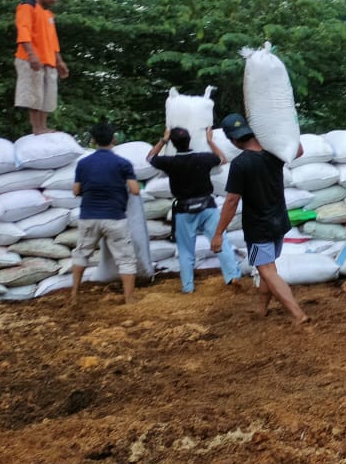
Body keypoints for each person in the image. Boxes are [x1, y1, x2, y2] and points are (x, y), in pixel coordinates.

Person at [211, 113, 308, 325]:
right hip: (279, 221)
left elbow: (231, 201)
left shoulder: (241, 164)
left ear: (233, 140)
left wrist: (218, 233)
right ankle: (261, 310)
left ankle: (298, 315)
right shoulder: (272, 153)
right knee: (267, 269)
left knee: (268, 271)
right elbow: (299, 150)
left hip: (259, 226)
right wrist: (282, 131)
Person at [147, 126, 241, 294]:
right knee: (221, 241)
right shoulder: (203, 158)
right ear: (190, 140)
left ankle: (188, 287)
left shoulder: (170, 162)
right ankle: (232, 275)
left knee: (185, 250)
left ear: (174, 144)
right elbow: (223, 159)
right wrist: (210, 141)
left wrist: (163, 140)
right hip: (207, 207)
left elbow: (150, 158)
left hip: (184, 210)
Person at [71, 122, 141, 304]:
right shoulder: (123, 163)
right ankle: (129, 299)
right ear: (114, 139)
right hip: (115, 218)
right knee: (126, 259)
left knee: (81, 254)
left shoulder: (83, 163)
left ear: (93, 141)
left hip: (88, 217)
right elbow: (135, 190)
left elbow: (76, 191)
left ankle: (74, 296)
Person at [15, 0, 70, 135]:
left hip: (49, 60)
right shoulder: (27, 6)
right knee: (34, 95)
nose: (56, 0)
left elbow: (53, 39)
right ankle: (37, 128)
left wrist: (59, 61)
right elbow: (23, 31)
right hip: (31, 59)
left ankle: (43, 125)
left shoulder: (48, 14)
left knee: (47, 95)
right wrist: (32, 55)